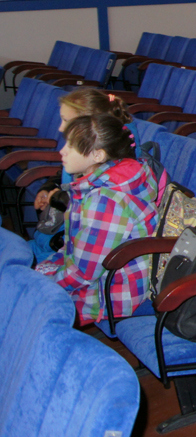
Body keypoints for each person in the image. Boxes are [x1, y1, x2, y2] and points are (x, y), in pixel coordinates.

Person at [36, 114, 158, 324]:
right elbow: (75, 250)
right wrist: (45, 270)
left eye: (71, 146)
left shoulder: (105, 200)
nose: (62, 151)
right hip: (99, 280)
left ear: (98, 155)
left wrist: (42, 284)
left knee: (25, 305)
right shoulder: (99, 183)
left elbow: (84, 273)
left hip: (111, 295)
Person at [31, 90, 143, 263]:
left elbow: (93, 210)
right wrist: (49, 188)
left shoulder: (113, 168)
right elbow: (65, 174)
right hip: (66, 234)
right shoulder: (93, 150)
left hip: (74, 247)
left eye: (66, 120)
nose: (60, 128)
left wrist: (60, 199)